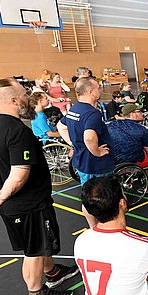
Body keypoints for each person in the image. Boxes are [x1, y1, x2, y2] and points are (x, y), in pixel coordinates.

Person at [0, 78, 77, 295]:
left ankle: (52, 272)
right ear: (13, 100)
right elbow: (19, 174)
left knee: (40, 241)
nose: (28, 98)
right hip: (27, 204)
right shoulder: (17, 131)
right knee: (33, 250)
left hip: (11, 203)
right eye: (24, 94)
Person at [57, 77, 114, 226]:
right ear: (91, 92)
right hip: (96, 164)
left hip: (81, 161)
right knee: (103, 197)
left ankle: (92, 227)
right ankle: (106, 227)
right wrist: (97, 152)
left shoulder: (74, 109)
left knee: (87, 196)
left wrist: (74, 143)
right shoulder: (92, 113)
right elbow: (89, 137)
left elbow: (61, 126)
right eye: (98, 88)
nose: (100, 90)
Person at [106, 103, 148, 169]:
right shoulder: (142, 129)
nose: (143, 114)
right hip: (134, 161)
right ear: (132, 114)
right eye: (140, 111)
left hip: (114, 161)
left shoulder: (111, 125)